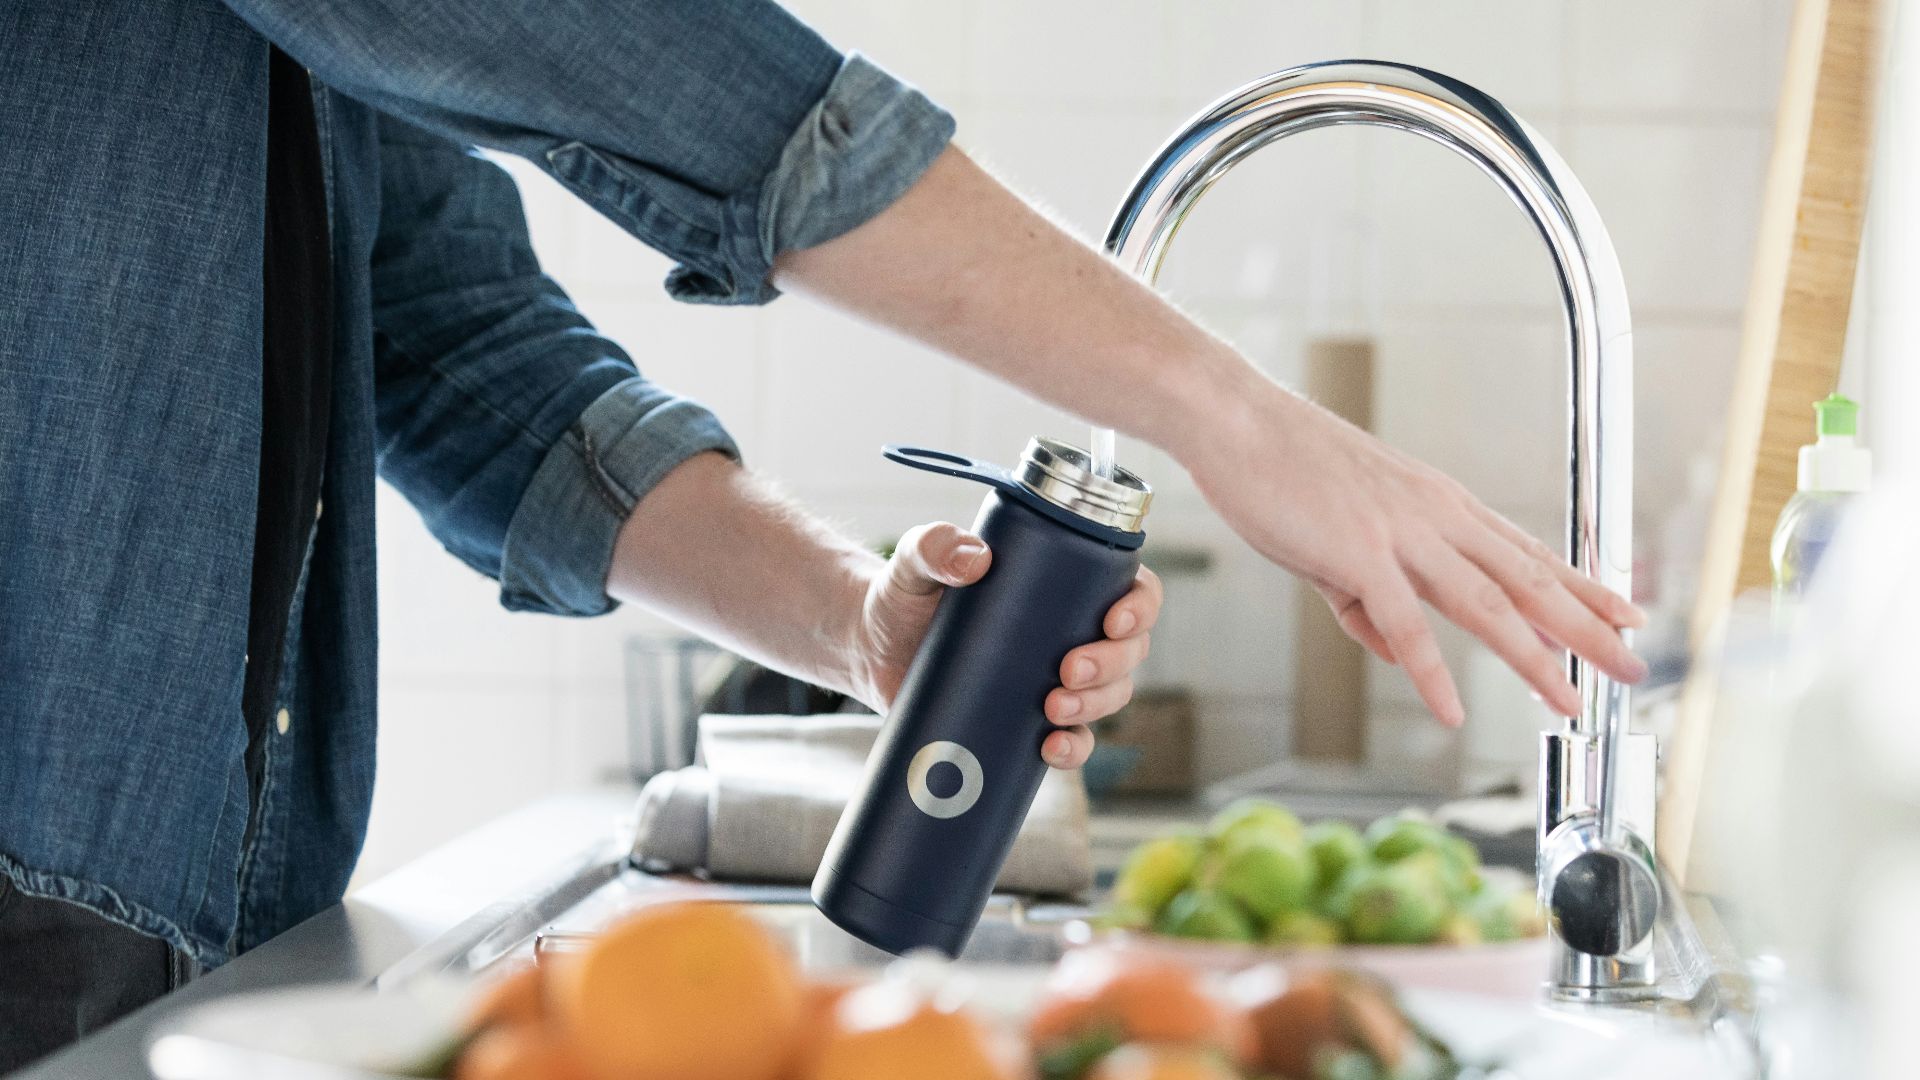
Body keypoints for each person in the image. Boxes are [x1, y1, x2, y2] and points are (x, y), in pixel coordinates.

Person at [0, 0, 1646, 1068]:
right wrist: (1236, 420)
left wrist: (858, 623)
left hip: (158, 914)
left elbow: (450, 347)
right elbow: (640, 68)